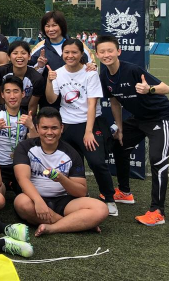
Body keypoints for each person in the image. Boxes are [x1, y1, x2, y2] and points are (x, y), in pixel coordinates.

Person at [96, 34, 169, 226]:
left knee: (158, 159)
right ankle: (124, 192)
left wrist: (149, 89)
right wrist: (120, 128)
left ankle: (157, 212)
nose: (106, 54)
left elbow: (165, 87)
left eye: (110, 50)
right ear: (97, 54)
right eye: (102, 51)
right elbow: (114, 102)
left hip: (160, 116)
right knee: (119, 144)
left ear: (118, 51)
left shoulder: (133, 70)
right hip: (138, 119)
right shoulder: (104, 76)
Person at [45, 38, 116, 215]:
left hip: (89, 123)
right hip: (66, 125)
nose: (70, 56)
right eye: (66, 52)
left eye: (74, 52)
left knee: (96, 162)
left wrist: (88, 131)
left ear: (81, 54)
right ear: (62, 53)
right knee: (72, 164)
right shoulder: (57, 73)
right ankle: (80, 195)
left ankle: (109, 198)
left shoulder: (90, 73)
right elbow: (52, 99)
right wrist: (49, 80)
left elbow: (92, 104)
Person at [13, 107, 109, 235]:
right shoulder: (24, 147)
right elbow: (22, 179)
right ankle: (76, 224)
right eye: (45, 128)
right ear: (37, 128)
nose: (49, 132)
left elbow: (81, 191)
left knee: (101, 208)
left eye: (54, 128)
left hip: (65, 201)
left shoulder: (71, 153)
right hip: (34, 199)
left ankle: (53, 228)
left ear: (61, 128)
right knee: (21, 202)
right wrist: (38, 201)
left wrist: (62, 179)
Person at [0, 76, 36, 193]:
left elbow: (37, 145)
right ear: (2, 95)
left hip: (19, 165)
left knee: (28, 193)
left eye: (16, 91)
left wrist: (31, 127)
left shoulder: (27, 116)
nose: (12, 96)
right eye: (8, 92)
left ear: (23, 94)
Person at [30, 11, 93, 75]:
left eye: (54, 25)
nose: (51, 29)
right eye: (47, 26)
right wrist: (40, 66)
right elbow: (29, 74)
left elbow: (93, 66)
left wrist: (92, 66)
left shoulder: (77, 45)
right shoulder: (40, 48)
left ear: (62, 26)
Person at [0, 41, 45, 117]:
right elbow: (0, 98)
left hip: (25, 111)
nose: (19, 56)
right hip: (4, 109)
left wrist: (28, 120)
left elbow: (32, 106)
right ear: (9, 57)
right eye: (15, 53)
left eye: (23, 53)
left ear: (29, 56)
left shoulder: (37, 78)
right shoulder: (2, 71)